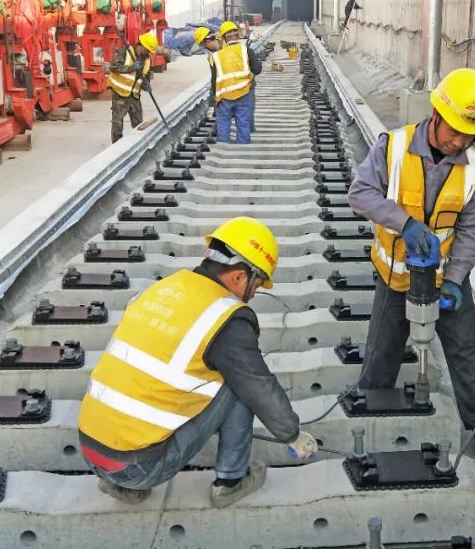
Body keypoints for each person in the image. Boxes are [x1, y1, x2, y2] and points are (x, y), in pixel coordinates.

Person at [77, 217, 319, 507]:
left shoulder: (164, 288)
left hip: (91, 450)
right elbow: (259, 387)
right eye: (257, 285)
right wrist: (292, 435)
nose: (254, 294)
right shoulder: (225, 319)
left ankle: (119, 484)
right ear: (239, 277)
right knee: (239, 384)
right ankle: (231, 482)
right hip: (139, 466)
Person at [347, 68, 475, 456]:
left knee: (466, 349)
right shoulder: (393, 148)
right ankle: (372, 410)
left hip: (445, 277)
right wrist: (405, 223)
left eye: (469, 135)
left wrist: (456, 279)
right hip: (396, 275)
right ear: (436, 115)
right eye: (454, 131)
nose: (459, 142)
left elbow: (472, 230)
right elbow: (360, 193)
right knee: (383, 348)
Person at [210, 21, 262, 144]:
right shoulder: (246, 50)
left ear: (223, 38)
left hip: (224, 97)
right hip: (244, 93)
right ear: (237, 35)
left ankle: (223, 149)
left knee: (223, 124)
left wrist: (214, 99)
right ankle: (243, 149)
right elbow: (257, 69)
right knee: (243, 122)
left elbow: (214, 80)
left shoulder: (216, 56)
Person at [106, 30, 157, 143]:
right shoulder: (125, 52)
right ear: (141, 45)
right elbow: (113, 67)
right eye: (147, 49)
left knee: (139, 124)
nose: (147, 52)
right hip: (120, 94)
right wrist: (131, 68)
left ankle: (139, 144)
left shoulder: (147, 60)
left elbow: (145, 78)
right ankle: (116, 147)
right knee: (117, 124)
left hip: (134, 96)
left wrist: (146, 85)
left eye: (149, 51)